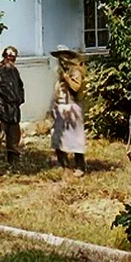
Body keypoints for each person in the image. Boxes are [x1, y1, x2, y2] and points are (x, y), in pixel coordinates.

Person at [50, 45, 87, 176]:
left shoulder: (75, 71)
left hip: (72, 107)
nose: (62, 59)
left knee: (75, 138)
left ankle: (80, 166)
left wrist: (66, 78)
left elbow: (76, 88)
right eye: (60, 56)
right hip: (60, 107)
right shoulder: (60, 72)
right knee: (58, 136)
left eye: (64, 56)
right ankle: (62, 164)